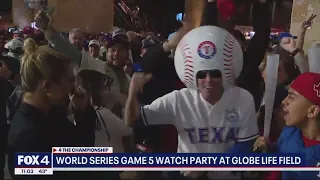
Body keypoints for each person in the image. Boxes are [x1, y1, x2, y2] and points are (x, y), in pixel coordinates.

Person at [125, 26, 258, 179]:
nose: (208, 80)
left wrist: (207, 167)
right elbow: (131, 120)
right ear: (194, 76)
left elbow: (243, 148)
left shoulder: (243, 98)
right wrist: (132, 91)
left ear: (224, 74)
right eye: (202, 75)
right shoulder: (179, 99)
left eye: (215, 74)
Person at [7, 39, 96, 180]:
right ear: (48, 86)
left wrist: (82, 112)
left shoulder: (50, 110)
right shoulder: (28, 139)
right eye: (70, 80)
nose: (74, 87)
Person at [254, 72, 320, 179]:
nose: (284, 102)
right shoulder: (290, 132)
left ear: (312, 111)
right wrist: (266, 150)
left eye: (291, 97)